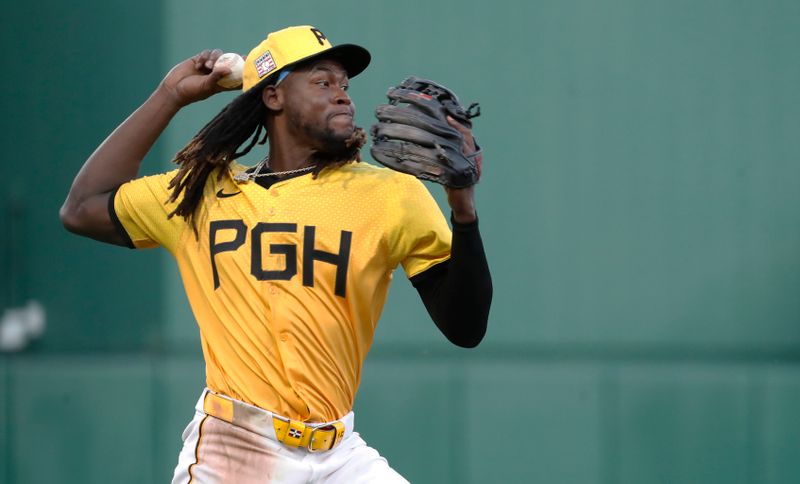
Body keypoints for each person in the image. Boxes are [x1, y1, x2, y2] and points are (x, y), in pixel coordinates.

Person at [60, 25, 492, 483]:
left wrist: (462, 208)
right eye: (322, 82)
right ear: (273, 98)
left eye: (344, 85)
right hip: (236, 445)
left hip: (339, 452)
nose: (343, 96)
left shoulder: (390, 195)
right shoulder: (200, 191)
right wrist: (170, 95)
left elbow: (465, 328)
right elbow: (82, 208)